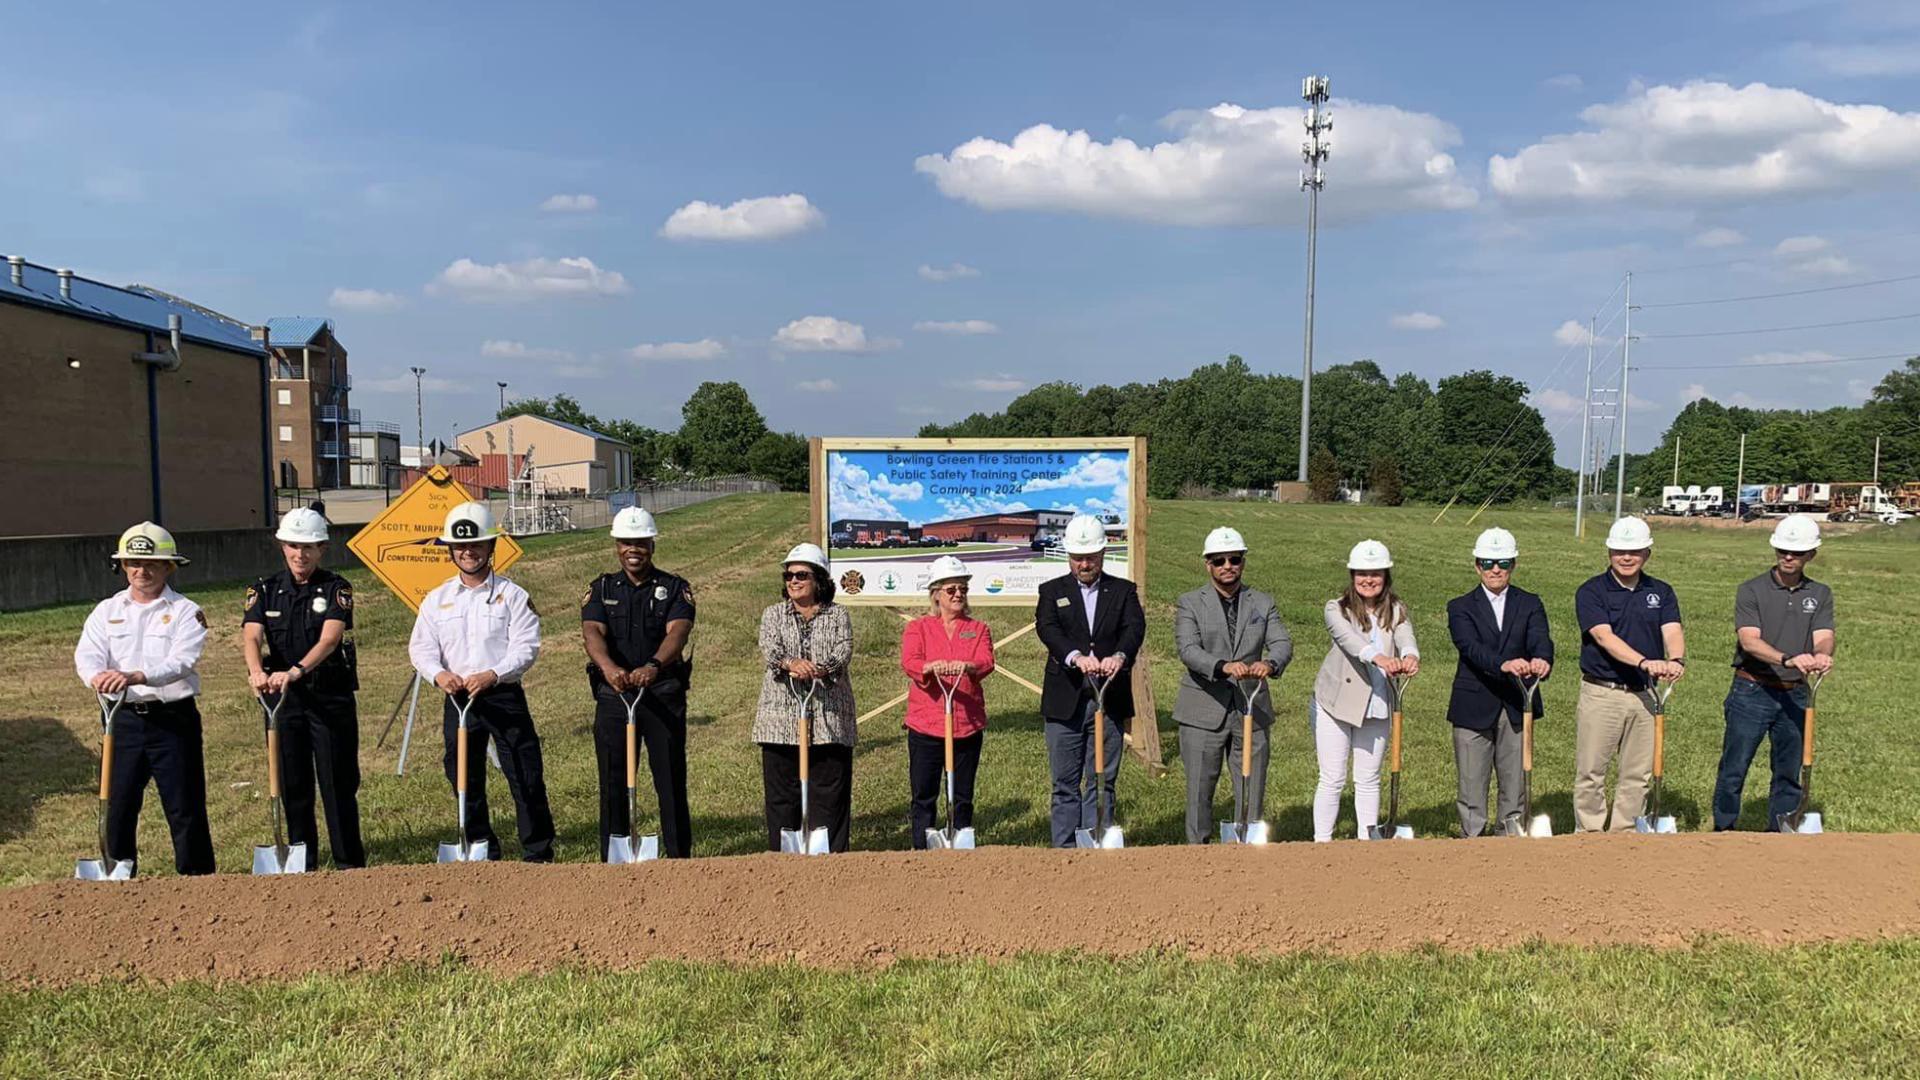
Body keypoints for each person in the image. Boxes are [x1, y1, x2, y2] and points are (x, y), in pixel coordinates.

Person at [406, 501, 555, 862]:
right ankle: (480, 847)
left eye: (476, 545)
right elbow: (421, 648)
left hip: (502, 695)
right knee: (462, 777)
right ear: (450, 551)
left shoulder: (514, 596)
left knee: (524, 774)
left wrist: (494, 674)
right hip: (458, 699)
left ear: (491, 547)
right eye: (460, 547)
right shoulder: (436, 599)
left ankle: (537, 852)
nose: (468, 552)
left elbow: (526, 647)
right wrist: (439, 674)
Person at [73, 522, 216, 875]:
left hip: (172, 719)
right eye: (134, 563)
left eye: (151, 563)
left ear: (169, 566)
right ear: (123, 567)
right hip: (122, 720)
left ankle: (198, 881)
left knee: (184, 806)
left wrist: (137, 675)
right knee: (117, 804)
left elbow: (181, 661)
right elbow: (87, 654)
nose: (142, 571)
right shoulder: (106, 611)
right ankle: (118, 874)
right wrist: (97, 677)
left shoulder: (186, 611)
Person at [241, 505, 365, 869]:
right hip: (283, 702)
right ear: (282, 547)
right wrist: (255, 672)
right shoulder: (263, 589)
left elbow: (330, 639)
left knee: (337, 784)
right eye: (294, 546)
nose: (300, 554)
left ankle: (349, 864)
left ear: (322, 549)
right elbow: (251, 636)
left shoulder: (337, 587)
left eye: (309, 547)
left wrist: (295, 670)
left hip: (328, 698)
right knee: (292, 784)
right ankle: (301, 861)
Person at [581, 506, 696, 859]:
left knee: (670, 779)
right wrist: (608, 667)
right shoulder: (600, 588)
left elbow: (678, 632)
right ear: (617, 546)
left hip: (661, 692)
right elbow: (592, 631)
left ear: (652, 544)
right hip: (615, 695)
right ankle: (614, 855)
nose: (634, 549)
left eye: (641, 542)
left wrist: (654, 665)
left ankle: (679, 857)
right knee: (614, 780)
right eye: (626, 543)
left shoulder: (674, 588)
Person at [1713, 513, 1836, 831]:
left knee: (1788, 770)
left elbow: (1824, 636)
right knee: (1734, 768)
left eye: (1796, 552)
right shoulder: (1751, 590)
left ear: (1812, 555)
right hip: (1752, 690)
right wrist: (1789, 659)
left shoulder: (1820, 594)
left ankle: (1782, 831)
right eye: (1783, 550)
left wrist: (1821, 656)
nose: (1788, 557)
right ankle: (1724, 830)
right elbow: (1749, 641)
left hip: (1795, 692)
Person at [1172, 526, 1293, 843]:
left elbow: (1281, 642)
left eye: (1234, 559)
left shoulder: (1262, 603)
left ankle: (1247, 844)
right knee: (1199, 787)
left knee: (1252, 784)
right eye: (1219, 560)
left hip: (1251, 706)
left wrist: (1270, 663)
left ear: (1243, 562)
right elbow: (1188, 649)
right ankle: (1198, 849)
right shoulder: (1189, 603)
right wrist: (1222, 666)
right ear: (1207, 564)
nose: (1227, 566)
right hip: (1202, 707)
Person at [1034, 513, 1147, 847]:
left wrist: (1120, 656)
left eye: (1091, 557)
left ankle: (1096, 842)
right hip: (1065, 699)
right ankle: (1065, 849)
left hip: (1108, 699)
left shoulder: (1123, 591)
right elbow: (1048, 629)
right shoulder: (1052, 591)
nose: (1084, 564)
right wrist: (1075, 657)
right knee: (1064, 782)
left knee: (1102, 778)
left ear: (1102, 555)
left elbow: (1134, 628)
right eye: (1078, 558)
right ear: (1069, 556)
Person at [1572, 515, 1686, 833]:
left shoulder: (1660, 592)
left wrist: (1676, 659)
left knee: (1638, 774)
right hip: (1602, 692)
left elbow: (1673, 630)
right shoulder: (1592, 591)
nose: (1626, 557)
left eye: (1634, 551)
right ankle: (1589, 833)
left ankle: (1624, 834)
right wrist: (1645, 662)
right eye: (1620, 550)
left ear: (1647, 553)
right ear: (1609, 552)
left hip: (1645, 695)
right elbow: (1604, 636)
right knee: (1592, 770)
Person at [1444, 527, 1554, 837]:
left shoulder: (1530, 603)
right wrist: (1502, 664)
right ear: (1477, 565)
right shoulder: (1460, 606)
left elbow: (1540, 639)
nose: (1496, 570)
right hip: (1473, 702)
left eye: (1503, 563)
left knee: (1514, 780)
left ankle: (1510, 834)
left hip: (1517, 702)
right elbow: (1469, 647)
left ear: (1513, 565)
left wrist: (1542, 659)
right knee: (1471, 781)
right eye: (1489, 563)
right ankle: (1474, 837)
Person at [1310, 539, 1420, 841]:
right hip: (1336, 703)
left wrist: (1411, 655)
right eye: (1361, 573)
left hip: (1377, 701)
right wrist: (1380, 658)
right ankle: (1322, 842)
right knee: (1332, 778)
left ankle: (1366, 843)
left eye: (1375, 574)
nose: (1368, 580)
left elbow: (1405, 634)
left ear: (1386, 576)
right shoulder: (1336, 609)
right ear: (1352, 576)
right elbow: (1349, 641)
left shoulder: (1396, 610)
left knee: (1369, 778)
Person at [755, 543, 856, 852]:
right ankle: (784, 856)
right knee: (782, 794)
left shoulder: (838, 614)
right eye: (789, 575)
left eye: (802, 574)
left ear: (820, 580)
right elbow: (769, 648)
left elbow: (844, 649)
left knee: (829, 792)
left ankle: (831, 857)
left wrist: (820, 669)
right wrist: (790, 664)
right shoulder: (773, 614)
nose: (793, 581)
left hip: (829, 715)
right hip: (780, 717)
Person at [899, 555, 996, 848]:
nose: (958, 594)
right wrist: (929, 667)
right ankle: (921, 847)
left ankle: (960, 841)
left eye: (963, 588)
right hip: (926, 723)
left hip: (966, 722)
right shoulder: (918, 628)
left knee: (962, 793)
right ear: (936, 593)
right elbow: (910, 660)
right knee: (924, 794)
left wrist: (969, 667)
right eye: (951, 589)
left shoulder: (978, 628)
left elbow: (986, 660)